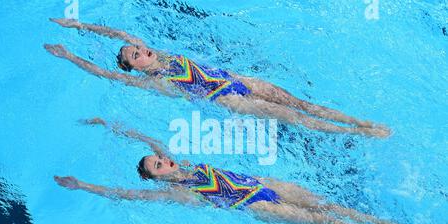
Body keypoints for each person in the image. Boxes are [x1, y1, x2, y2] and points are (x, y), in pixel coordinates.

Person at [54, 118, 407, 224]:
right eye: (157, 166)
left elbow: (151, 141)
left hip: (265, 182)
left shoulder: (185, 163)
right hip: (260, 204)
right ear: (158, 179)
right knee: (324, 221)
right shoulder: (181, 193)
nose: (163, 160)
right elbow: (129, 195)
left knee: (329, 206)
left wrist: (110, 126)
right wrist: (86, 186)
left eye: (159, 158)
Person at [44, 18, 391, 138]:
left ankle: (361, 122)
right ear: (134, 68)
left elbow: (118, 31)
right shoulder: (152, 80)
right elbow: (105, 73)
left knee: (302, 103)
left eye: (135, 46)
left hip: (242, 80)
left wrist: (79, 26)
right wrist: (70, 56)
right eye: (133, 55)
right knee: (298, 118)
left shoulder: (158, 53)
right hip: (233, 100)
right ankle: (358, 134)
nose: (137, 49)